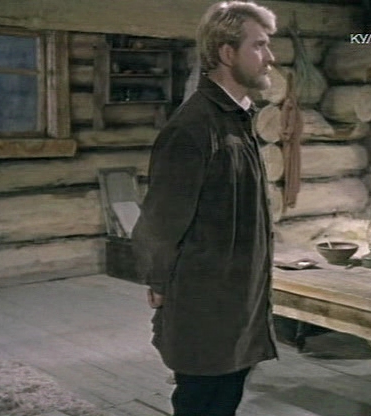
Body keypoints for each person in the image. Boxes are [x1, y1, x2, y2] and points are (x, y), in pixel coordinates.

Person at [131, 2, 279, 415]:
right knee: (200, 401)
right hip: (204, 301)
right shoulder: (193, 128)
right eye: (259, 46)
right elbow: (160, 223)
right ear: (227, 53)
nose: (270, 57)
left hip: (237, 298)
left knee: (226, 399)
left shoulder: (237, 119)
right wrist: (158, 281)